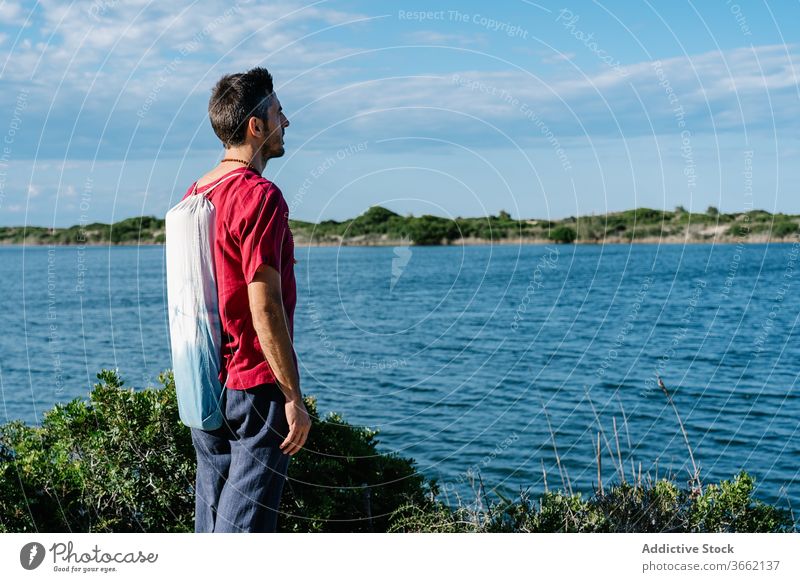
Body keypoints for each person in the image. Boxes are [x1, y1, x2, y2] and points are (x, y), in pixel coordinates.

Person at [181, 66, 311, 533]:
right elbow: (266, 306)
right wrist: (292, 395)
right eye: (279, 111)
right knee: (244, 534)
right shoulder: (260, 197)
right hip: (253, 387)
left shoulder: (197, 192)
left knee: (212, 520)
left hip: (203, 382)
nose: (287, 122)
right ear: (256, 125)